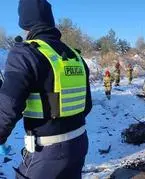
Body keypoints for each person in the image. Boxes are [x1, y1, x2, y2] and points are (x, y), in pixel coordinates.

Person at [0, 0, 92, 178]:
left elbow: (7, 108)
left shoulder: (25, 53)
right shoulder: (75, 56)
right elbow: (86, 106)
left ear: (25, 23)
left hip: (46, 151)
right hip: (79, 142)